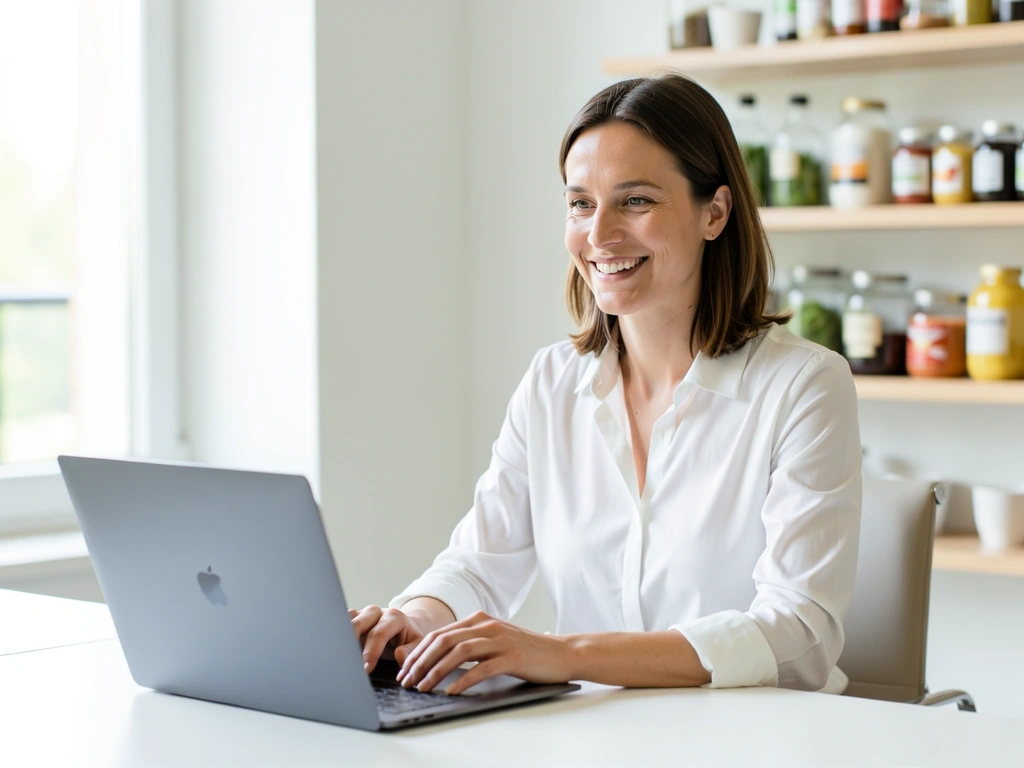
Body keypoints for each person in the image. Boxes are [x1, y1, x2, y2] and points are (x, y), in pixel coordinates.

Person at [349, 74, 861, 697]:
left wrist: (563, 654)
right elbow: (480, 565)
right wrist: (412, 619)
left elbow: (797, 634)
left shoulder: (804, 385)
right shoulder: (550, 383)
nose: (598, 235)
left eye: (636, 201)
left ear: (715, 213)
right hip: (596, 741)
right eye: (580, 203)